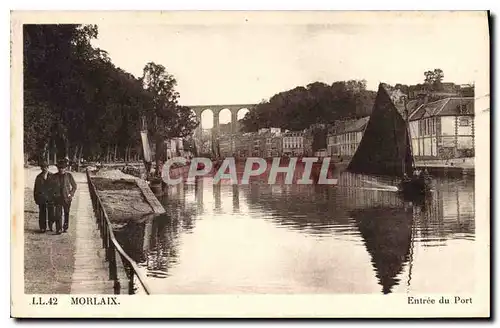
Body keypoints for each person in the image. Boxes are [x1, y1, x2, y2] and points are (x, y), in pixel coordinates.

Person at [51, 159, 77, 234]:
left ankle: (65, 226)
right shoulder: (54, 176)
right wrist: (53, 194)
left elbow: (74, 186)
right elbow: (51, 187)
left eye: (63, 168)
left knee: (66, 212)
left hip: (67, 198)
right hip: (58, 198)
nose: (61, 169)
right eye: (59, 168)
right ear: (58, 168)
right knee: (58, 214)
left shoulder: (69, 175)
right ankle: (58, 229)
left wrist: (71, 194)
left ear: (66, 168)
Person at [33, 162, 54, 233]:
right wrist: (36, 198)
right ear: (41, 168)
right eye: (42, 167)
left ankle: (51, 226)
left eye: (45, 167)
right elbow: (35, 189)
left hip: (50, 198)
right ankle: (42, 227)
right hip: (42, 198)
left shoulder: (52, 176)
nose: (44, 169)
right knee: (42, 213)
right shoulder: (38, 177)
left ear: (48, 168)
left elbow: (55, 187)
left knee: (51, 213)